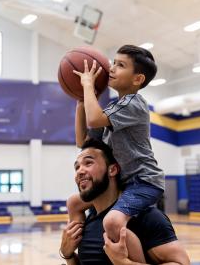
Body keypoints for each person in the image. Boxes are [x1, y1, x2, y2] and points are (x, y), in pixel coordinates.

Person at [68, 45, 165, 247]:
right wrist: (80, 103)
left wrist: (87, 86)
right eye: (113, 62)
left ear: (138, 79)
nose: (111, 68)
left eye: (120, 65)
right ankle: (80, 248)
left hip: (143, 181)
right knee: (74, 203)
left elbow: (94, 120)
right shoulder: (113, 109)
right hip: (121, 183)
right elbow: (83, 142)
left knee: (112, 221)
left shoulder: (135, 103)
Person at [60, 139, 190, 265]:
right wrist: (68, 255)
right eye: (77, 167)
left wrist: (124, 263)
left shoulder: (147, 217)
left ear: (112, 170)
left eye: (88, 163)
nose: (80, 171)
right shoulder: (87, 221)